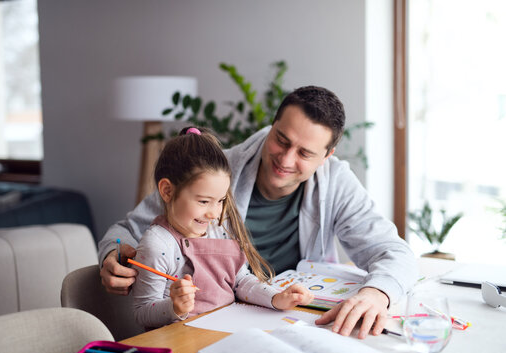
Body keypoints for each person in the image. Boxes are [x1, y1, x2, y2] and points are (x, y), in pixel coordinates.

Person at [98, 85, 418, 339]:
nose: (286, 160)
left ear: (326, 156)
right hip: (210, 326)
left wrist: (377, 294)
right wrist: (113, 253)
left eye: (305, 153)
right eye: (281, 139)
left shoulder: (336, 182)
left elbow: (394, 251)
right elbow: (126, 230)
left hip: (294, 322)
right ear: (271, 126)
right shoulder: (214, 175)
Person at [131, 127, 313, 328]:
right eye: (203, 201)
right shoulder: (158, 245)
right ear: (167, 191)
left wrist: (276, 298)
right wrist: (175, 307)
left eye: (221, 201)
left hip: (224, 332)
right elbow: (142, 313)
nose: (214, 213)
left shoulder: (219, 229)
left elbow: (241, 281)